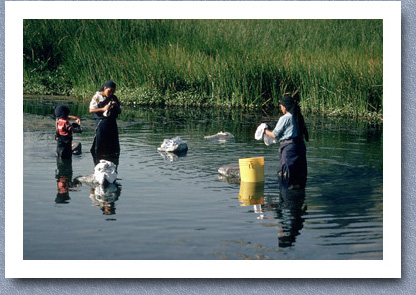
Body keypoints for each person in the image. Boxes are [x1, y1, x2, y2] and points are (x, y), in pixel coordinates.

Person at [264, 94, 309, 188]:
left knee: (285, 174)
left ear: (285, 107)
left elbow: (274, 135)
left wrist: (264, 131)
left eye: (281, 106)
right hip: (300, 147)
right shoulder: (297, 116)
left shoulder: (285, 118)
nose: (280, 108)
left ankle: (287, 196)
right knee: (299, 173)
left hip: (289, 149)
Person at [89, 81, 122, 161]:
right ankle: (98, 159)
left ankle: (112, 159)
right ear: (105, 88)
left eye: (113, 91)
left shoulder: (114, 98)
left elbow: (120, 111)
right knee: (100, 141)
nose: (111, 93)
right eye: (109, 91)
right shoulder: (97, 97)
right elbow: (91, 110)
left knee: (112, 142)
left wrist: (116, 105)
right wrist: (103, 109)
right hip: (101, 122)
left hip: (112, 122)